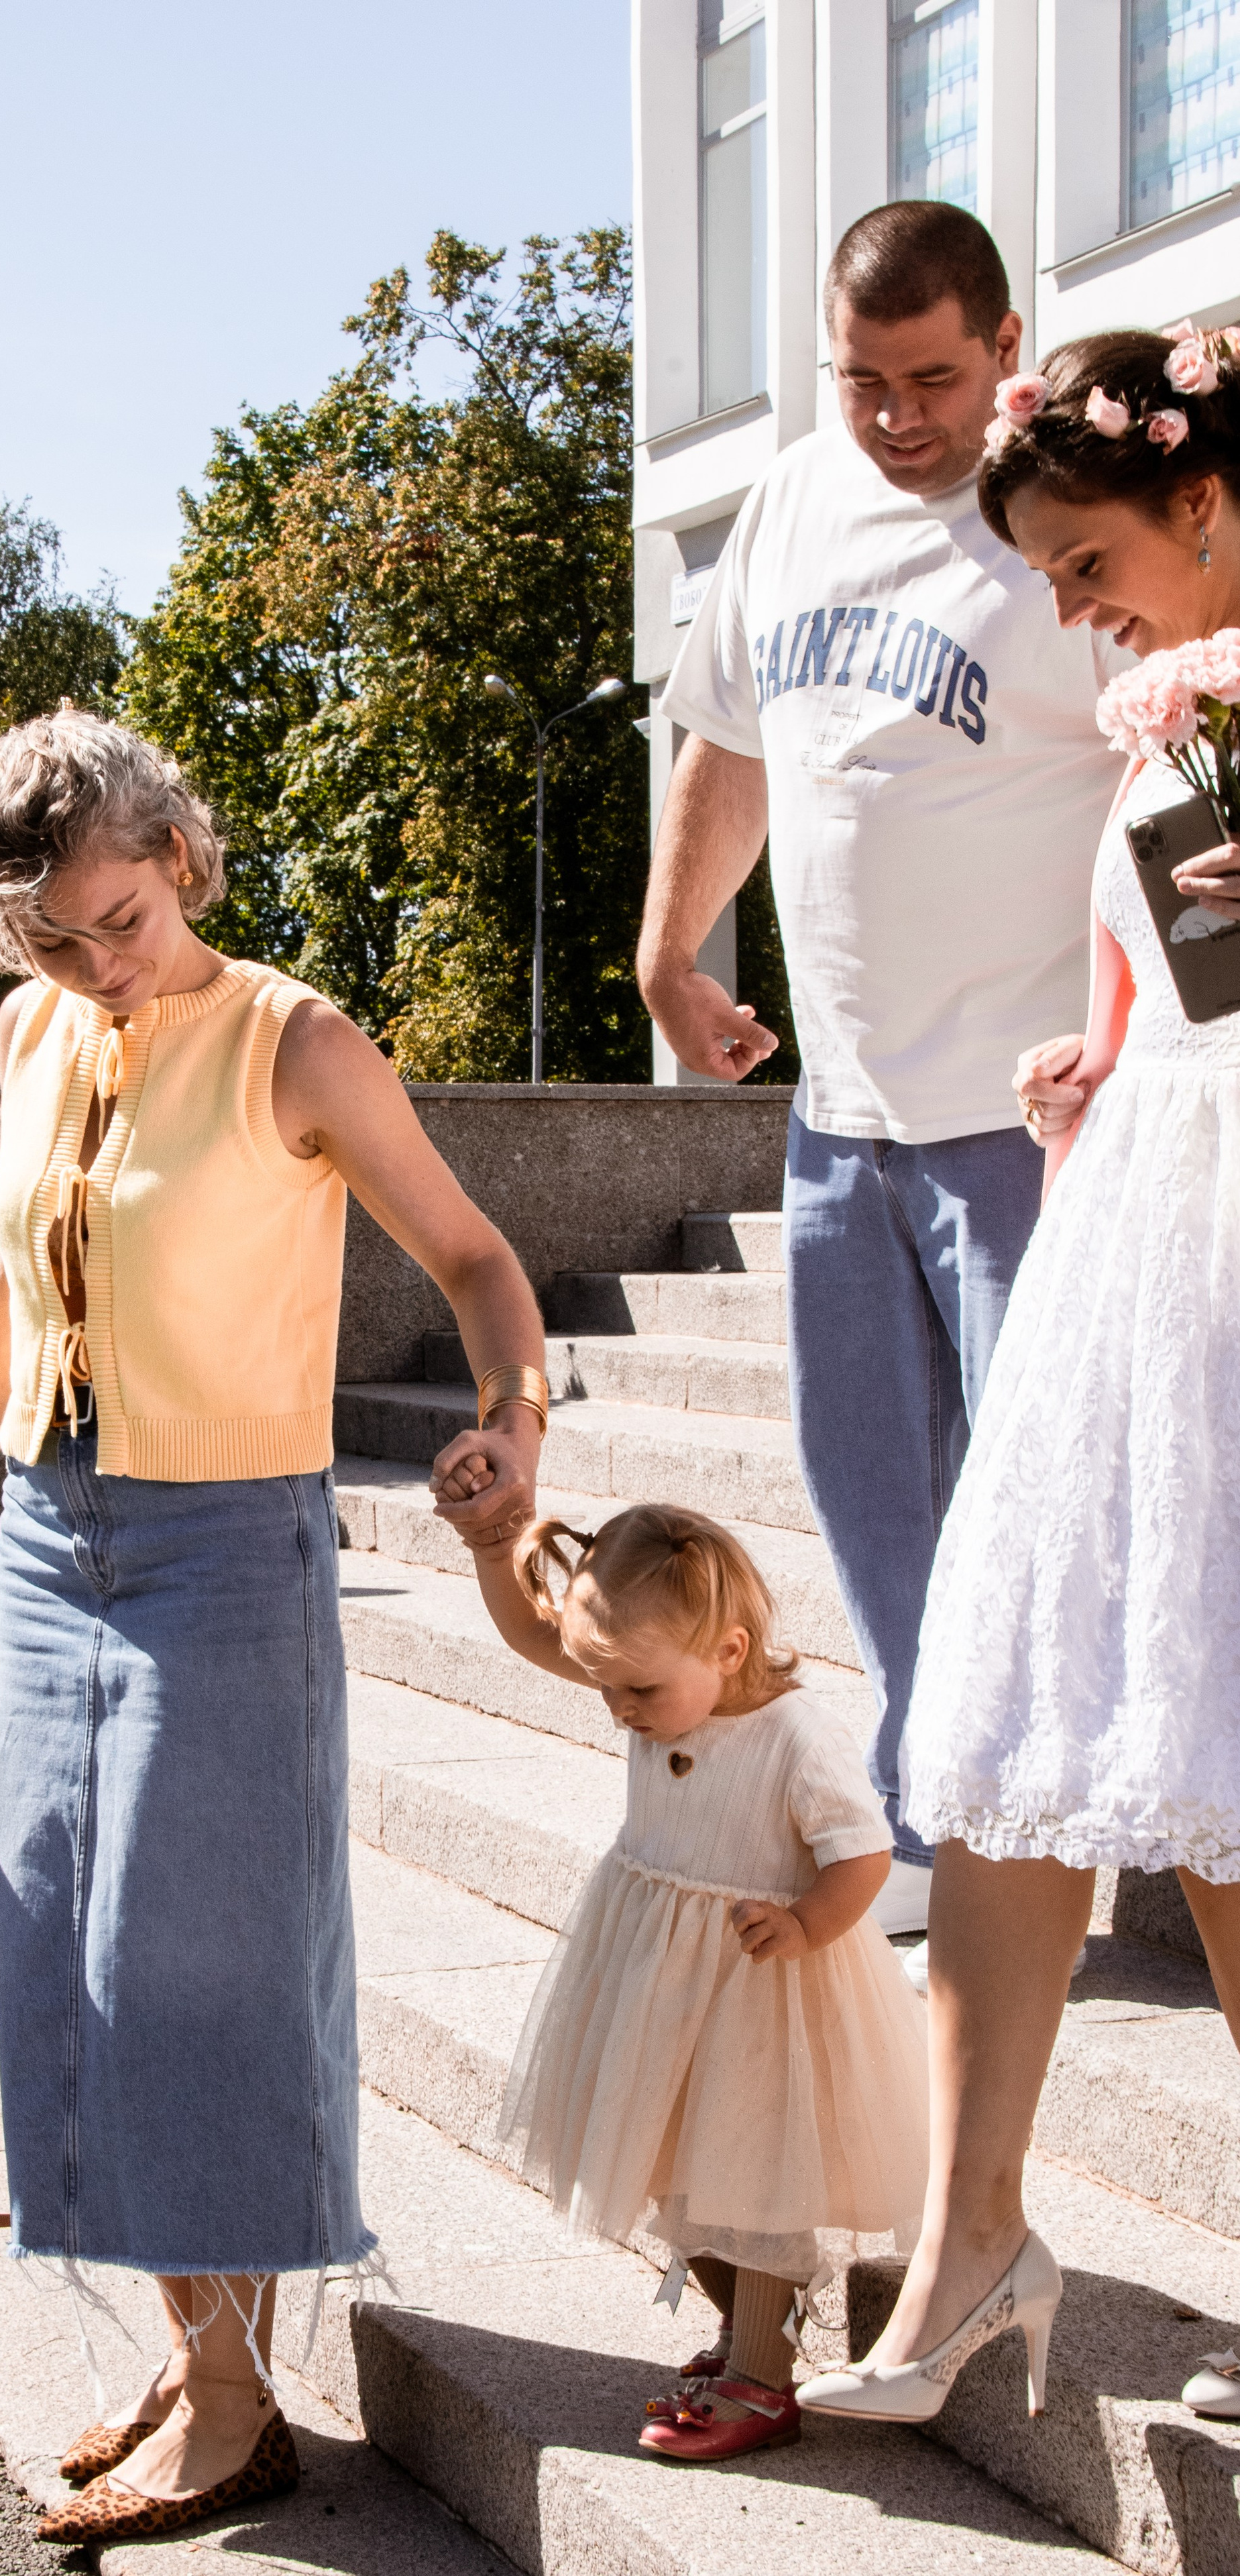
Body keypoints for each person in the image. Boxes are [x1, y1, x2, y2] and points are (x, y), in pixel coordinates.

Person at [0, 710, 547, 2551]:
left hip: (226, 1549)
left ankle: (245, 2401)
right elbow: (20, 1288)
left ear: (179, 849)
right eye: (50, 935)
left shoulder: (296, 1039)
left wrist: (517, 1417)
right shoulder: (32, 1030)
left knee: (200, 1964)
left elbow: (481, 1259)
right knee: (69, 1961)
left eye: (118, 914)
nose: (98, 962)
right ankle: (196, 2354)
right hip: (48, 1536)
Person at [798, 327, 1240, 2433]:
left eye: (1087, 564)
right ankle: (975, 2242)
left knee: (1216, 1744)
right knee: (1011, 1723)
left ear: (1209, 506)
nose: (1073, 612)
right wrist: (1097, 1057)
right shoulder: (1158, 729)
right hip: (1140, 1245)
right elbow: (1159, 990)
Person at [638, 201, 1129, 1941]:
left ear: (1008, 342)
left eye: (933, 377)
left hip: (1030, 1115)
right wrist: (670, 948)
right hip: (843, 1115)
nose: (898, 416)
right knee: (873, 1497)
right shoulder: (788, 500)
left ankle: (1068, 1812)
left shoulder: (1069, 521)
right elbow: (727, 737)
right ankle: (945, 1825)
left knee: (1049, 1496)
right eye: (862, 380)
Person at [432, 1479, 927, 2464]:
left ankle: (763, 2374)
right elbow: (538, 1640)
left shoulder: (793, 1734)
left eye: (636, 1691)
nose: (618, 1711)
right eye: (607, 1687)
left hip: (763, 1991)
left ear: (728, 1650)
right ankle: (754, 2335)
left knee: (755, 2176)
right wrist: (494, 1550)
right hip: (660, 1987)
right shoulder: (659, 1681)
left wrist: (805, 1924)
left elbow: (864, 1852)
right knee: (669, 2166)